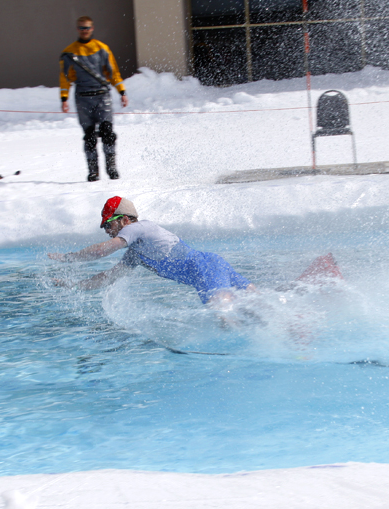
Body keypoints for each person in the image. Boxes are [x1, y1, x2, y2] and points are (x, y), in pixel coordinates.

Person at [49, 197, 255, 306]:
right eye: (105, 228)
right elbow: (108, 277)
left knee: (224, 315)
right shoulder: (136, 253)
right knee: (259, 304)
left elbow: (103, 251)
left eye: (109, 225)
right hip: (208, 270)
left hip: (206, 269)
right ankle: (285, 331)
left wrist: (69, 258)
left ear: (125, 219)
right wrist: (75, 286)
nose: (108, 232)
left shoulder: (139, 227)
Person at [60, 16, 128, 182]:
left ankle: (111, 168)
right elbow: (65, 78)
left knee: (108, 132)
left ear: (92, 28)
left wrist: (122, 91)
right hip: (83, 98)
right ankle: (93, 171)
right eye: (82, 28)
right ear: (78, 29)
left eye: (87, 28)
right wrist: (64, 98)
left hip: (102, 96)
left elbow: (114, 73)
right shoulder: (69, 52)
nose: (85, 31)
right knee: (89, 136)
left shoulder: (102, 49)